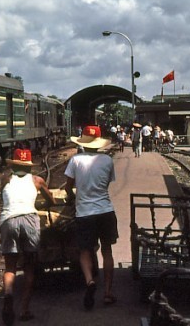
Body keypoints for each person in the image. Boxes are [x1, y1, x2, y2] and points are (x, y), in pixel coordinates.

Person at [64, 125, 118, 310]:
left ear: (83, 142)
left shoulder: (75, 160)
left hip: (84, 213)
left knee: (85, 251)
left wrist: (72, 197)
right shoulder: (107, 160)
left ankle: (89, 281)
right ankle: (108, 293)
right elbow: (106, 184)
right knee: (107, 250)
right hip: (105, 210)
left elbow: (68, 186)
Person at [0, 148, 54, 325]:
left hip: (8, 220)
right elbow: (51, 200)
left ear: (14, 165)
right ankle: (24, 309)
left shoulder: (5, 179)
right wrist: (45, 201)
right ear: (30, 166)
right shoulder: (37, 180)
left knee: (10, 267)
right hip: (29, 219)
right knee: (30, 267)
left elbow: (5, 199)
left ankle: (8, 295)